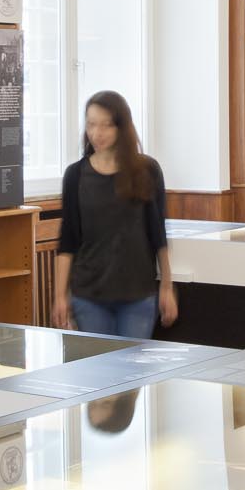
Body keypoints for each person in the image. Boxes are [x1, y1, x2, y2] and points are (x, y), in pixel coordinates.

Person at [51, 90, 177, 339]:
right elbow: (68, 241)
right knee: (98, 375)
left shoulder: (147, 170)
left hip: (138, 294)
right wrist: (59, 296)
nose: (97, 133)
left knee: (133, 374)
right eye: (91, 124)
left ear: (122, 127)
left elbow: (158, 234)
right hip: (89, 295)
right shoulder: (75, 175)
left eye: (106, 125)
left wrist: (166, 287)